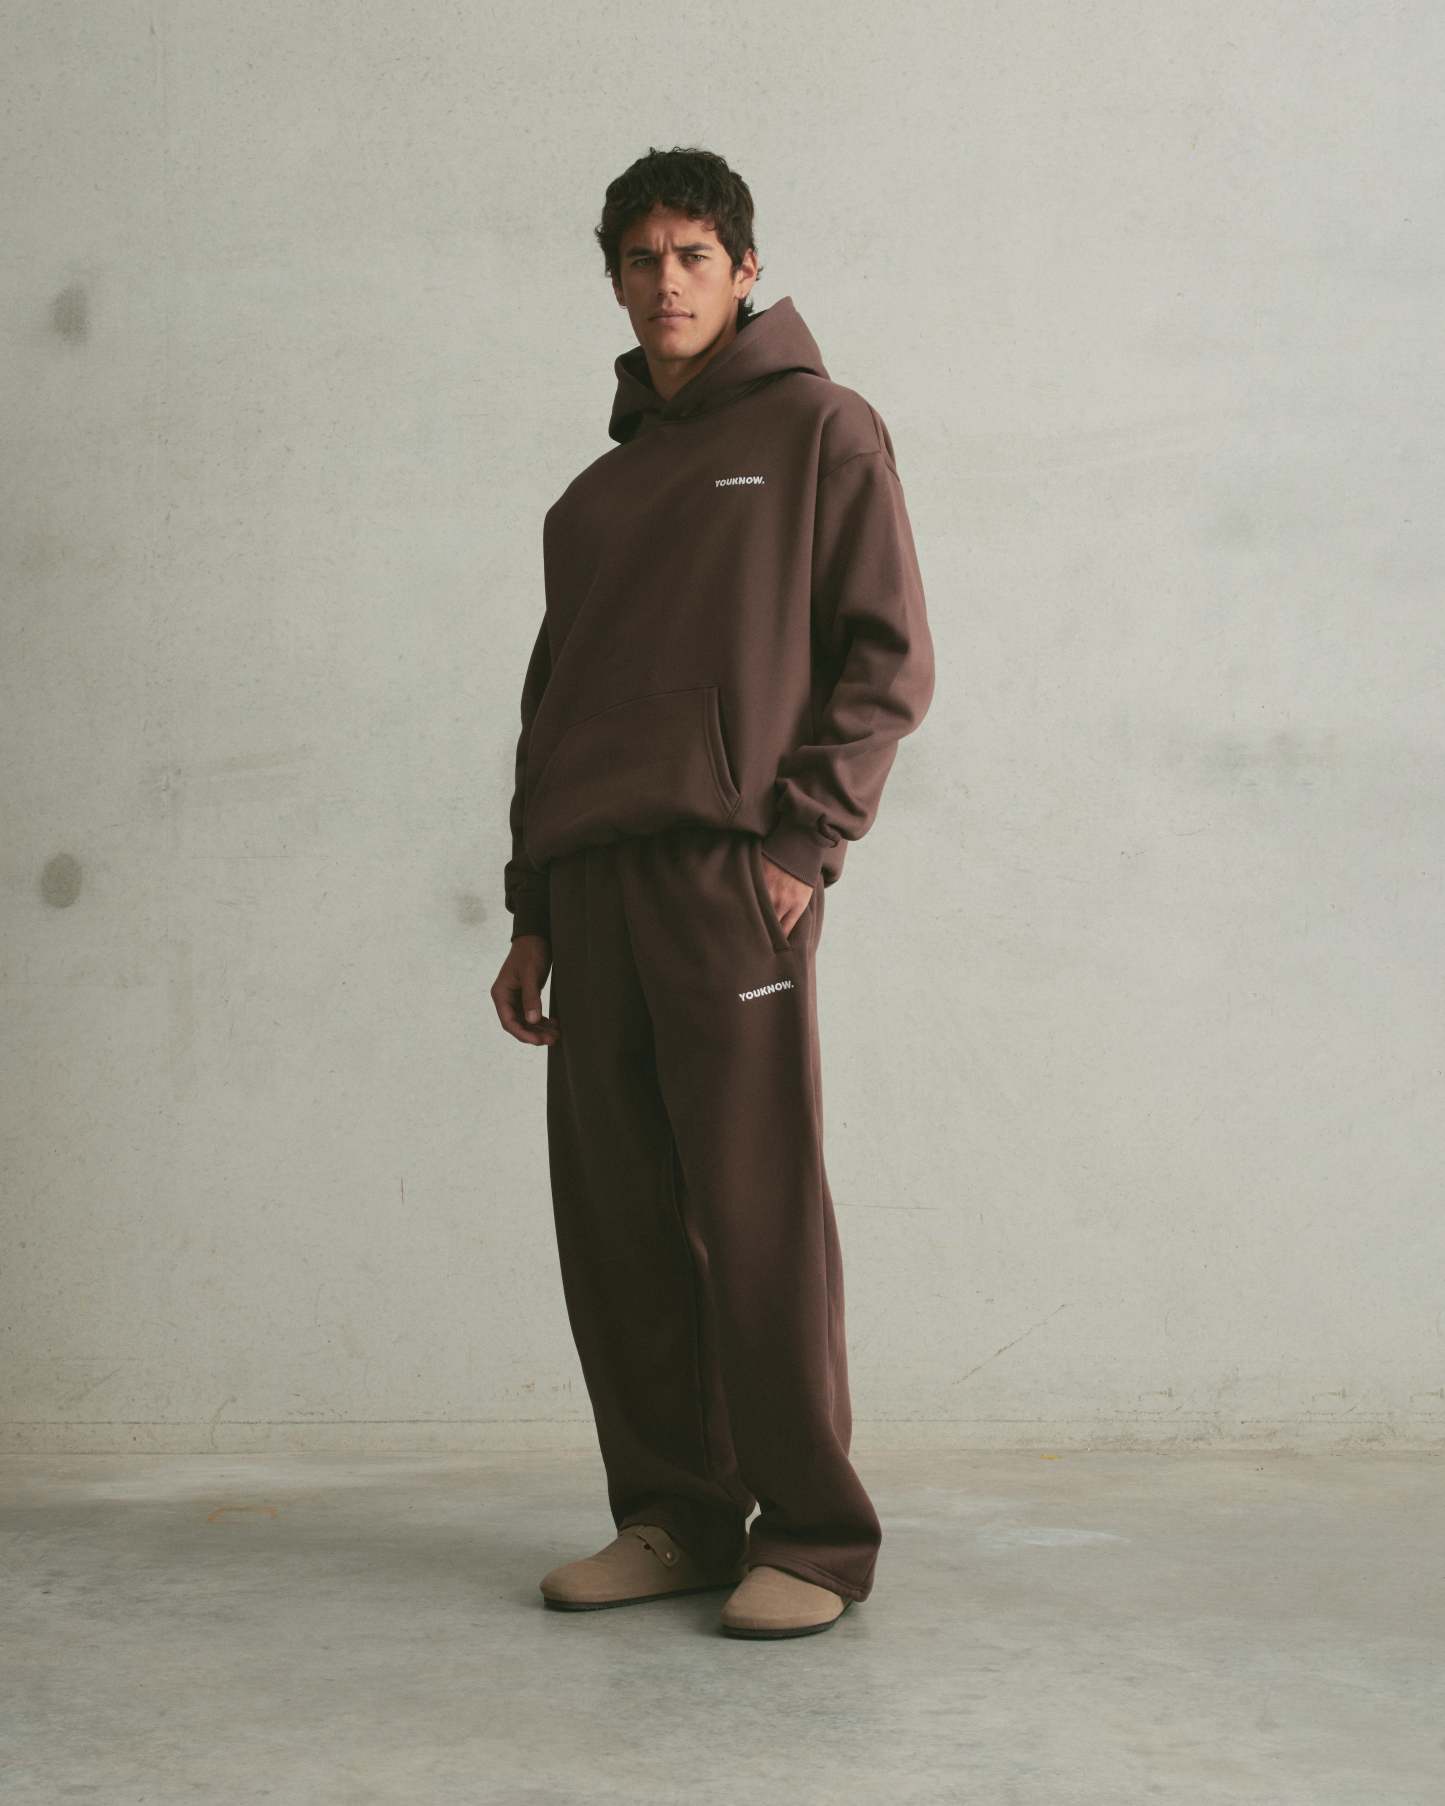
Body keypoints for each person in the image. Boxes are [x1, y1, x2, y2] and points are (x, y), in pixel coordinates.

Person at [490, 145, 935, 1640]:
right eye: (640, 259)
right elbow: (551, 711)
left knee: (752, 1210)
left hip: (728, 875)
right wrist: (530, 905)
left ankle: (813, 1536)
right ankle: (675, 1516)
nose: (666, 282)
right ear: (614, 281)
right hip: (592, 885)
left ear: (744, 270)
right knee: (617, 1217)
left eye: (692, 255)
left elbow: (885, 658)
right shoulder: (594, 498)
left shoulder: (820, 429)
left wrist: (803, 844)